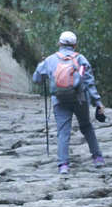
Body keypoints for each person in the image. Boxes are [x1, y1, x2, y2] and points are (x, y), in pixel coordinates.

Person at [33, 31, 105, 175]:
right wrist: (98, 102)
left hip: (59, 101)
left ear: (59, 43)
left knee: (63, 132)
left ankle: (63, 165)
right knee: (86, 127)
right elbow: (90, 83)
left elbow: (37, 80)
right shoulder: (81, 59)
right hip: (80, 99)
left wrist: (41, 65)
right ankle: (97, 158)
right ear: (75, 44)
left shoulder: (50, 60)